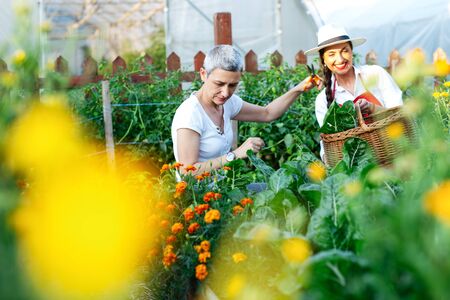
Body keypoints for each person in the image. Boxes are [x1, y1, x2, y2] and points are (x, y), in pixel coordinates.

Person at [171, 45, 319, 174]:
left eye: (232, 85)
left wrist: (300, 88)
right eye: (219, 83)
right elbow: (187, 172)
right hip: (197, 200)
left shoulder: (227, 103)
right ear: (203, 74)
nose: (226, 93)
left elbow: (267, 113)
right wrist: (234, 155)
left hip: (224, 191)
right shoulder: (190, 114)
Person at [304, 24, 403, 161]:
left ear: (352, 52)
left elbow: (401, 116)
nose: (340, 59)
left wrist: (373, 108)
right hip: (356, 169)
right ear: (323, 60)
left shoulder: (375, 74)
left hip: (394, 154)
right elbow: (326, 146)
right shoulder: (322, 100)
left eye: (344, 51)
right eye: (331, 54)